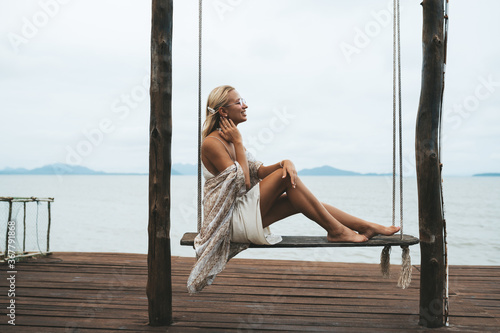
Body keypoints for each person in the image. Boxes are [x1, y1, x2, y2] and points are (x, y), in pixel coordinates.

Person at [187, 85, 400, 293]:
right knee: (285, 179)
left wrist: (284, 162)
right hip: (227, 222)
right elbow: (244, 184)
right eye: (239, 102)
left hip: (241, 215)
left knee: (295, 196)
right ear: (223, 111)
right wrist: (240, 143)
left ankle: (366, 226)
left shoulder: (232, 141)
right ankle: (337, 231)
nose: (246, 106)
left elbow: (258, 171)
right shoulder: (212, 143)